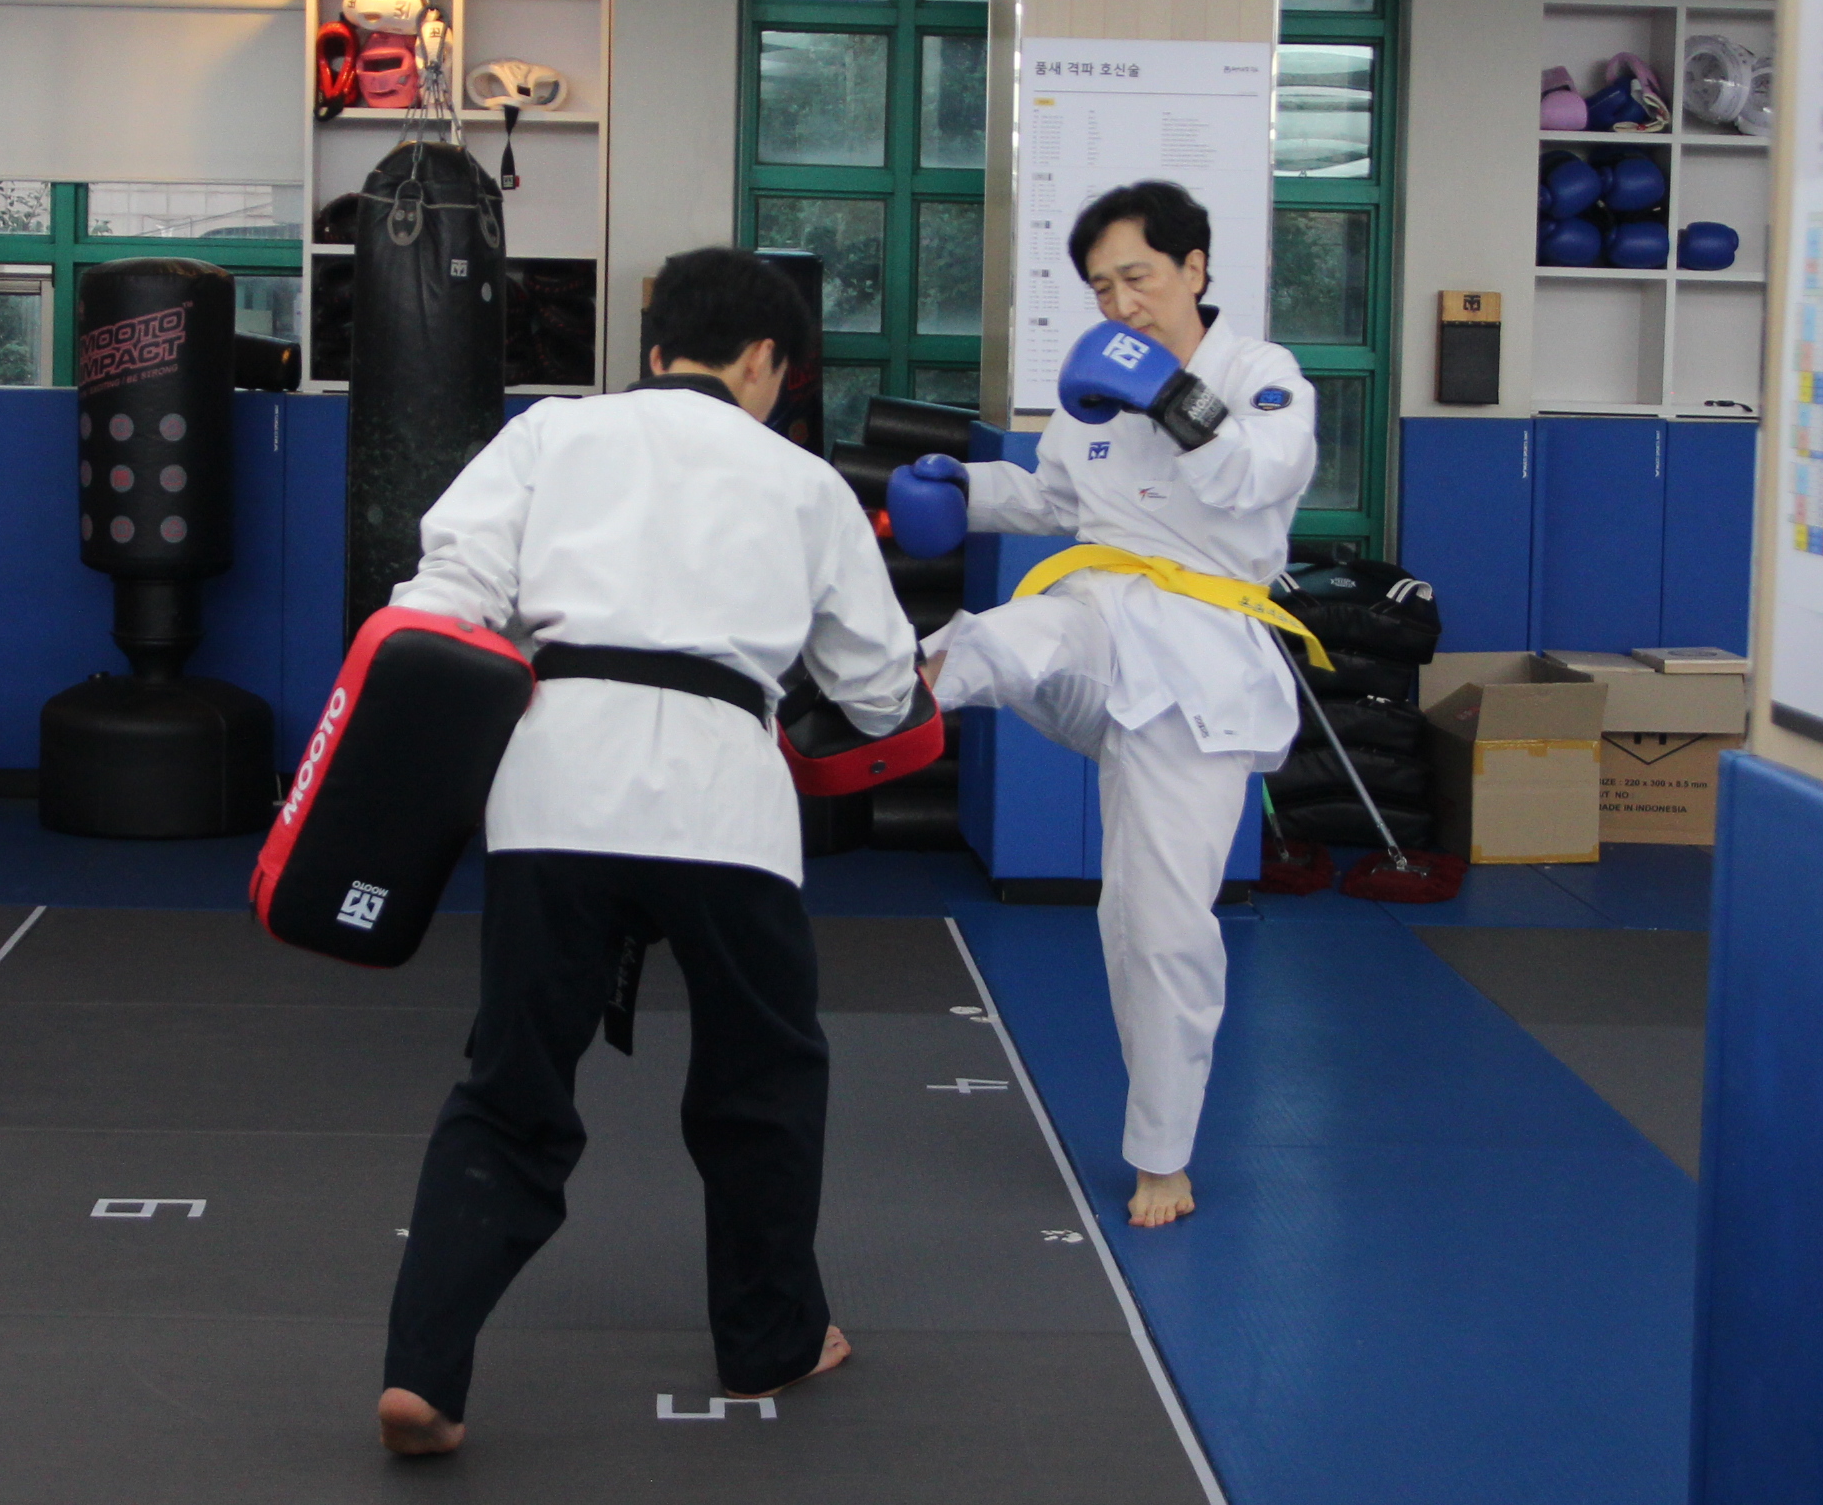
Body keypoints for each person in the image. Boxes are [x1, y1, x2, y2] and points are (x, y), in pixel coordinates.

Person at [373, 246, 926, 1459]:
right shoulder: (803, 482)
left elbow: (442, 597)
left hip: (556, 789)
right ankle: (772, 1340)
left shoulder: (552, 435)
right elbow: (882, 693)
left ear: (656, 344)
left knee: (511, 1089)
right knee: (762, 1083)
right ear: (768, 360)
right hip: (727, 808)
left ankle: (423, 1376)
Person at [895, 181, 1318, 1230]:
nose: (1120, 302)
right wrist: (962, 488)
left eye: (1137, 276)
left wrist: (1170, 397)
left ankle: (1163, 1159)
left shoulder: (1262, 377)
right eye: (1100, 286)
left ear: (1194, 268)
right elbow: (1052, 498)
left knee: (1155, 929)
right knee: (1018, 633)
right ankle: (893, 696)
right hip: (1100, 623)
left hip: (1201, 678)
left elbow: (1256, 481)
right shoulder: (1090, 386)